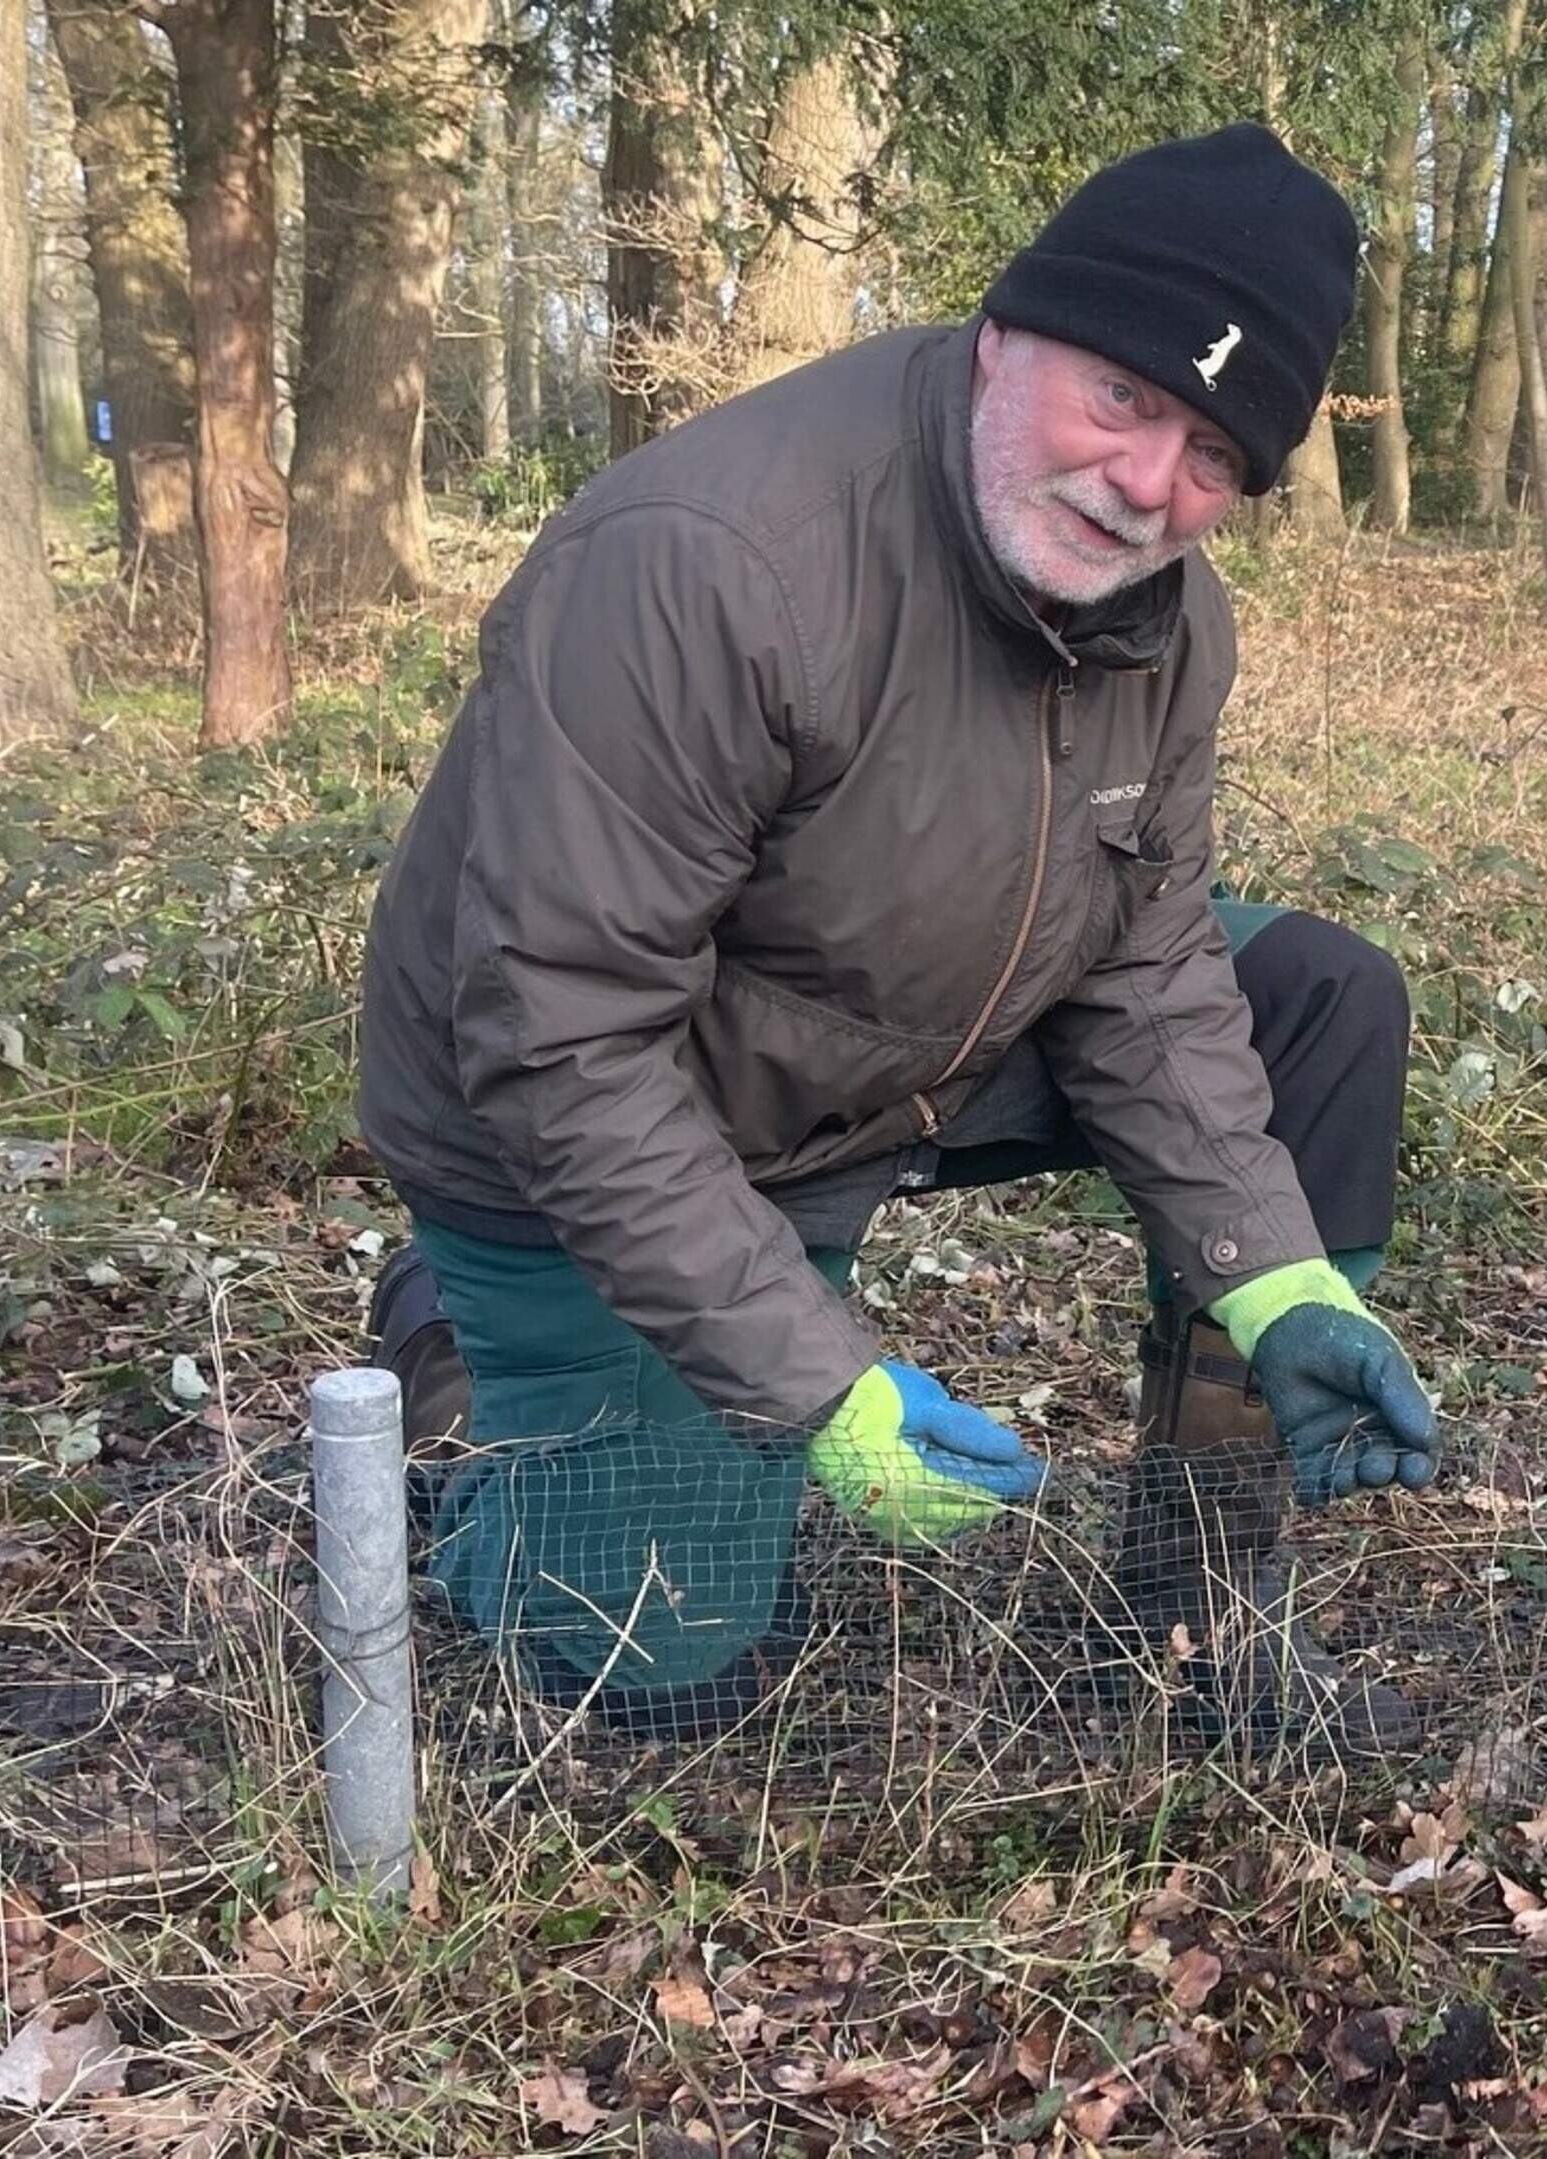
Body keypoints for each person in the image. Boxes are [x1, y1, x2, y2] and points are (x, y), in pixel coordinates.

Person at [353, 124, 1439, 1752]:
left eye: (1215, 454)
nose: (1150, 485)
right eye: (1123, 396)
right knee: (659, 1662)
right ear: (1005, 334)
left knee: (1320, 1000)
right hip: (596, 1123)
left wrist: (1277, 1277)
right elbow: (562, 1041)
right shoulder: (709, 563)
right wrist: (819, 1378)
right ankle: (458, 1344)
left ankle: (1196, 1613)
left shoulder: (1165, 615)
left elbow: (1143, 963)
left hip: (898, 1039)